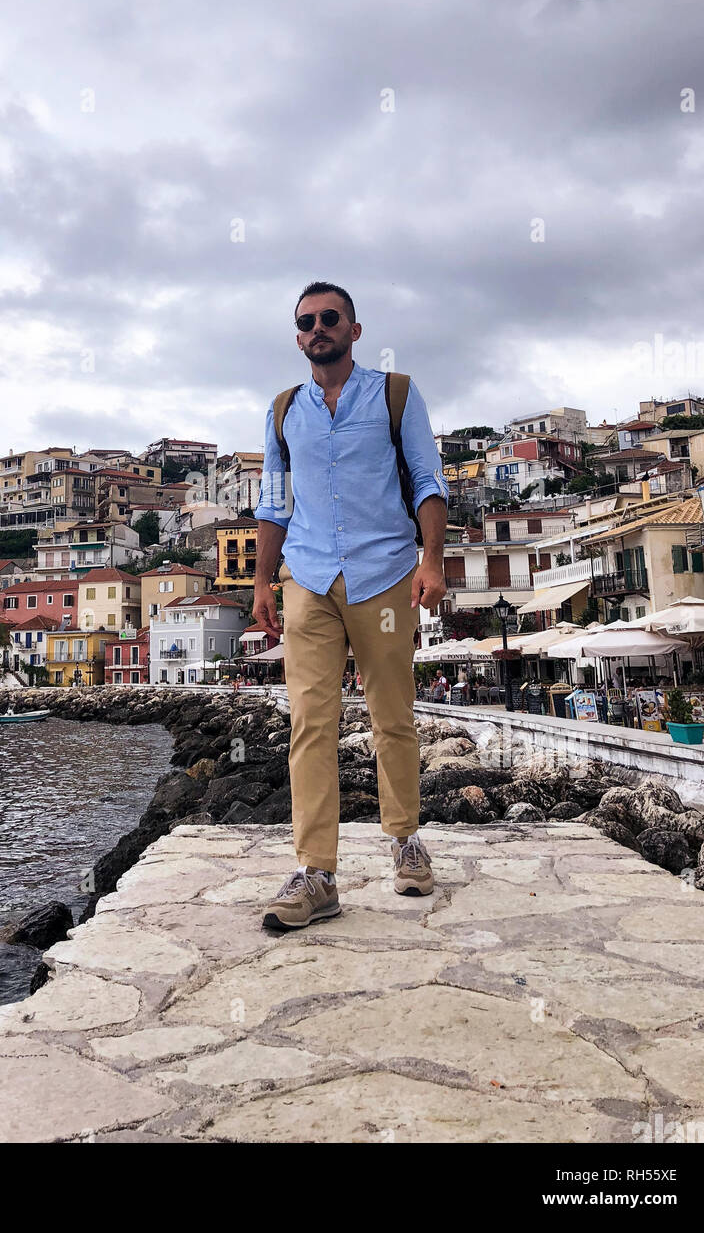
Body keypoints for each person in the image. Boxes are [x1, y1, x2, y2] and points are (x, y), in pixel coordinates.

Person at [252, 281, 449, 930]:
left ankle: (405, 842)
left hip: (386, 573)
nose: (316, 329)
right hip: (305, 577)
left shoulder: (394, 394)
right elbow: (273, 504)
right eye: (305, 322)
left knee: (392, 713)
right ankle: (317, 874)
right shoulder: (283, 410)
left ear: (353, 329)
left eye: (328, 318)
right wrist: (259, 584)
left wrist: (431, 562)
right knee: (310, 721)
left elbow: (427, 481)